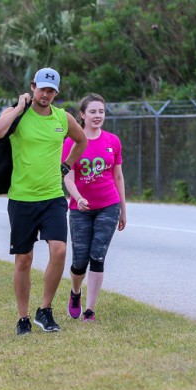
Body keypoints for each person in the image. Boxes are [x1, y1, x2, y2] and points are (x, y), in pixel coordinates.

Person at [0, 67, 88, 335]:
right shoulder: (17, 114)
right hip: (22, 198)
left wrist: (66, 165)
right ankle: (23, 318)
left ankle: (45, 309)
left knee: (59, 251)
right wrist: (18, 108)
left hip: (53, 197)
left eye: (51, 91)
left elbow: (81, 141)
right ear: (33, 87)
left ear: (56, 92)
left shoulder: (62, 118)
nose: (46, 94)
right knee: (24, 259)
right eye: (42, 88)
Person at [62, 93, 127, 322]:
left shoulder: (113, 141)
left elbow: (118, 177)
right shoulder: (71, 143)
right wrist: (78, 198)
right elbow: (68, 177)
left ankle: (90, 309)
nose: (97, 115)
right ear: (82, 115)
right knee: (80, 261)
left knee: (98, 256)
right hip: (80, 209)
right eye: (93, 112)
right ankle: (75, 292)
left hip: (108, 206)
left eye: (101, 111)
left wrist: (123, 209)